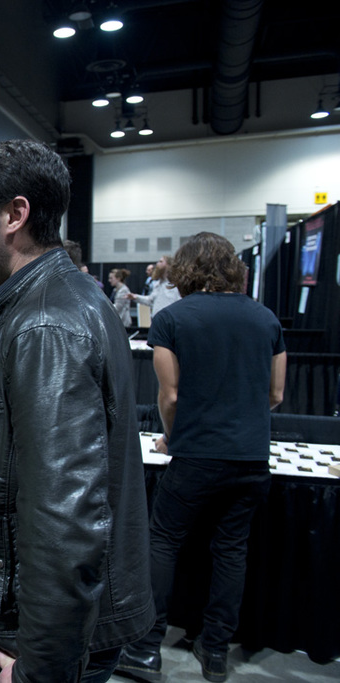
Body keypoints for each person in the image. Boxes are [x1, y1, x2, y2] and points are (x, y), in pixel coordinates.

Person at [0, 140, 155, 683]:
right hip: (33, 630)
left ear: (15, 215)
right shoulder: (58, 303)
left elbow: (65, 519)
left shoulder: (45, 325)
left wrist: (41, 669)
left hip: (21, 640)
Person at [117, 233, 286, 683]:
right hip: (251, 458)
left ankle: (144, 650)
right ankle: (214, 652)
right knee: (231, 550)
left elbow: (170, 396)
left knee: (163, 542)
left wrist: (172, 438)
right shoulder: (266, 318)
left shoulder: (172, 319)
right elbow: (275, 393)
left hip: (195, 456)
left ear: (185, 269)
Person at [128, 255, 181, 319]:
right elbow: (150, 301)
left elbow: (179, 304)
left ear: (169, 265)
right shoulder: (157, 284)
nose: (157, 263)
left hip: (169, 320)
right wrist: (135, 297)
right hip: (157, 320)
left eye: (161, 261)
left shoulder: (174, 285)